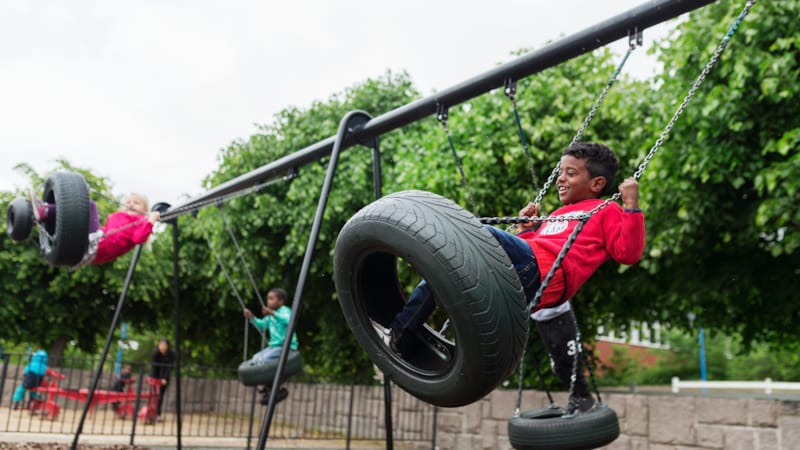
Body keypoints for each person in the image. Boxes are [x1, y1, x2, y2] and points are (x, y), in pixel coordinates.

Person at [384, 141, 645, 413]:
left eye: (571, 173)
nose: (560, 178)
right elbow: (532, 246)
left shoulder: (606, 209)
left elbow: (628, 253)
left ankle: (404, 332)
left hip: (545, 275)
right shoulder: (556, 214)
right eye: (561, 171)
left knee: (474, 235)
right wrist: (525, 230)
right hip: (529, 273)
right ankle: (403, 334)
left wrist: (631, 205)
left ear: (596, 184)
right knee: (443, 270)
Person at [33, 192, 160, 265]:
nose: (131, 204)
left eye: (136, 203)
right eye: (128, 202)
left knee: (89, 206)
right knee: (75, 218)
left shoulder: (140, 222)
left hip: (95, 247)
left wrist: (150, 220)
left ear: (144, 210)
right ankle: (43, 215)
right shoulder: (119, 216)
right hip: (94, 244)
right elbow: (108, 231)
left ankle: (45, 210)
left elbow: (138, 239)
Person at [243, 288, 299, 404]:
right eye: (268, 299)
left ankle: (278, 387)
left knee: (264, 360)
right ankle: (269, 387)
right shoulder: (270, 316)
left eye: (272, 299)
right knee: (256, 358)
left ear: (281, 301)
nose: (269, 302)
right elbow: (262, 326)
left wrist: (272, 313)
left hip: (285, 346)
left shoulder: (284, 311)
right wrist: (252, 317)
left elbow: (289, 321)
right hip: (274, 347)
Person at [150, 339, 175, 418]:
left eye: (164, 345)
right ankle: (152, 411)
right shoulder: (155, 354)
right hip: (155, 377)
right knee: (154, 395)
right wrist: (153, 378)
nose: (162, 347)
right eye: (160, 345)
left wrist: (164, 378)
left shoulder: (171, 355)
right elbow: (154, 367)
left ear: (167, 346)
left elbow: (169, 368)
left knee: (160, 395)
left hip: (164, 378)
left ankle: (158, 413)